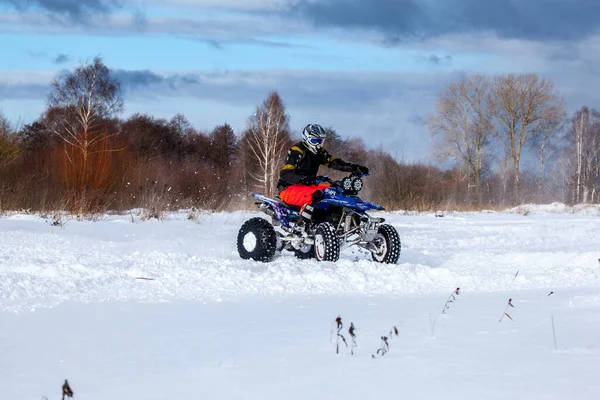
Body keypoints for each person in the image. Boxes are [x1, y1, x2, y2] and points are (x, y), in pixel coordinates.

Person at [277, 123, 369, 224]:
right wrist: (302, 179)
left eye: (320, 141)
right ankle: (304, 226)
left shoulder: (319, 152)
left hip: (309, 185)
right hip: (289, 187)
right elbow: (285, 173)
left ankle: (334, 222)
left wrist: (354, 167)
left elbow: (334, 162)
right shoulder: (297, 150)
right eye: (315, 141)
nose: (318, 145)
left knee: (334, 193)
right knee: (317, 195)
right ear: (306, 139)